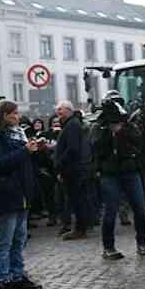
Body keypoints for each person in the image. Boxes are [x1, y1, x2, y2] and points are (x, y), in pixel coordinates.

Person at [0, 100, 43, 289]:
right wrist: (24, 151)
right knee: (4, 240)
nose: (17, 117)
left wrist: (33, 151)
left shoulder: (19, 136)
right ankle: (3, 279)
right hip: (3, 195)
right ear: (3, 115)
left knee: (19, 239)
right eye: (13, 113)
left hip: (21, 195)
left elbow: (23, 164)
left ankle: (17, 274)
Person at [91, 97, 145, 260]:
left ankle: (142, 242)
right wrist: (109, 132)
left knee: (139, 207)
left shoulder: (128, 126)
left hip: (129, 170)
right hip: (109, 173)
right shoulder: (99, 127)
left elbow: (138, 142)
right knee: (110, 211)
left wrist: (122, 132)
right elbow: (96, 147)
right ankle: (108, 246)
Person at [55, 101, 88, 240]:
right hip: (71, 168)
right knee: (75, 199)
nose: (58, 113)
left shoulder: (72, 125)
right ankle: (79, 227)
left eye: (60, 110)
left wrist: (60, 162)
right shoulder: (70, 124)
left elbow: (72, 148)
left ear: (68, 110)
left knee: (77, 199)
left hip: (72, 169)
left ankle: (80, 229)